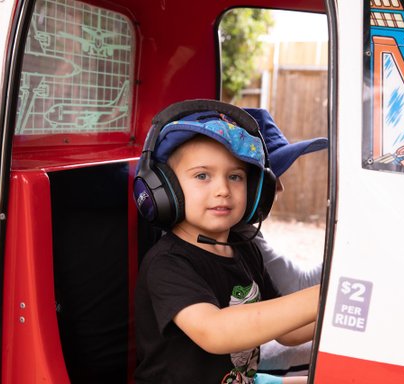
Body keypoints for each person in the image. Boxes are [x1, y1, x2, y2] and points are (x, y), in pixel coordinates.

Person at [133, 100, 319, 384]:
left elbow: (286, 332)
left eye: (235, 176)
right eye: (202, 176)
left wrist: (342, 313)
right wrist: (324, 295)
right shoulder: (167, 263)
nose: (222, 190)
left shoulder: (245, 249)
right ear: (164, 189)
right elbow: (216, 332)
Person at [243, 108, 327, 375]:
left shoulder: (243, 235)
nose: (280, 188)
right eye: (272, 175)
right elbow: (297, 290)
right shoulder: (239, 240)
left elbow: (288, 332)